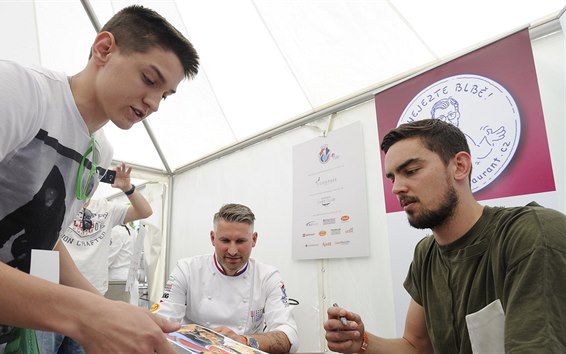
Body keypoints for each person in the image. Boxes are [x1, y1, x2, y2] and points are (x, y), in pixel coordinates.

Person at [0, 4, 199, 353]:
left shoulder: (99, 154)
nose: (153, 104)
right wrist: (82, 314)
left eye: (165, 94)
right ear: (103, 48)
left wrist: (107, 308)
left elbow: (45, 240)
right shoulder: (17, 91)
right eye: (149, 80)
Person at [324, 119, 566, 353]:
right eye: (393, 178)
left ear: (460, 166)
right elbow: (416, 346)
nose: (397, 188)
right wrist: (361, 341)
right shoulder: (426, 253)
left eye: (411, 170)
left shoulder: (530, 234)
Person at [36, 162, 153, 354]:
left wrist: (128, 188)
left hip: (91, 299)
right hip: (53, 297)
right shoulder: (55, 201)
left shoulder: (107, 208)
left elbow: (145, 211)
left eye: (95, 173)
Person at [152, 203, 299, 354]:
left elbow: (289, 335)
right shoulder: (187, 270)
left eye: (241, 241)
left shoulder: (268, 277)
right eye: (225, 241)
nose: (233, 251)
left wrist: (242, 341)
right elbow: (163, 322)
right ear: (212, 238)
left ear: (254, 239)